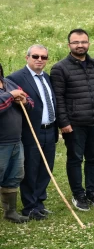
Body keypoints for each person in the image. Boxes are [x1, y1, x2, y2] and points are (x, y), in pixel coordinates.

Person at [51, 29, 94, 212]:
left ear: (89, 43)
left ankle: (92, 193)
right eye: (76, 42)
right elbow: (59, 98)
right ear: (69, 45)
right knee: (75, 159)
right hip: (75, 123)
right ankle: (78, 194)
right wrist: (63, 122)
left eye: (84, 42)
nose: (80, 45)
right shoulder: (60, 68)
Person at [7, 45, 56, 220]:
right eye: (35, 56)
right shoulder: (15, 78)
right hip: (31, 131)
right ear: (27, 57)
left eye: (44, 57)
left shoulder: (47, 78)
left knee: (46, 168)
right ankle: (30, 207)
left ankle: (39, 202)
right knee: (31, 168)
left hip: (49, 130)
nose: (39, 60)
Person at [0, 62, 33, 223]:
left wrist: (25, 101)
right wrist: (11, 96)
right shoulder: (10, 90)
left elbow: (30, 102)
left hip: (16, 141)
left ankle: (10, 212)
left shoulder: (9, 83)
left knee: (14, 176)